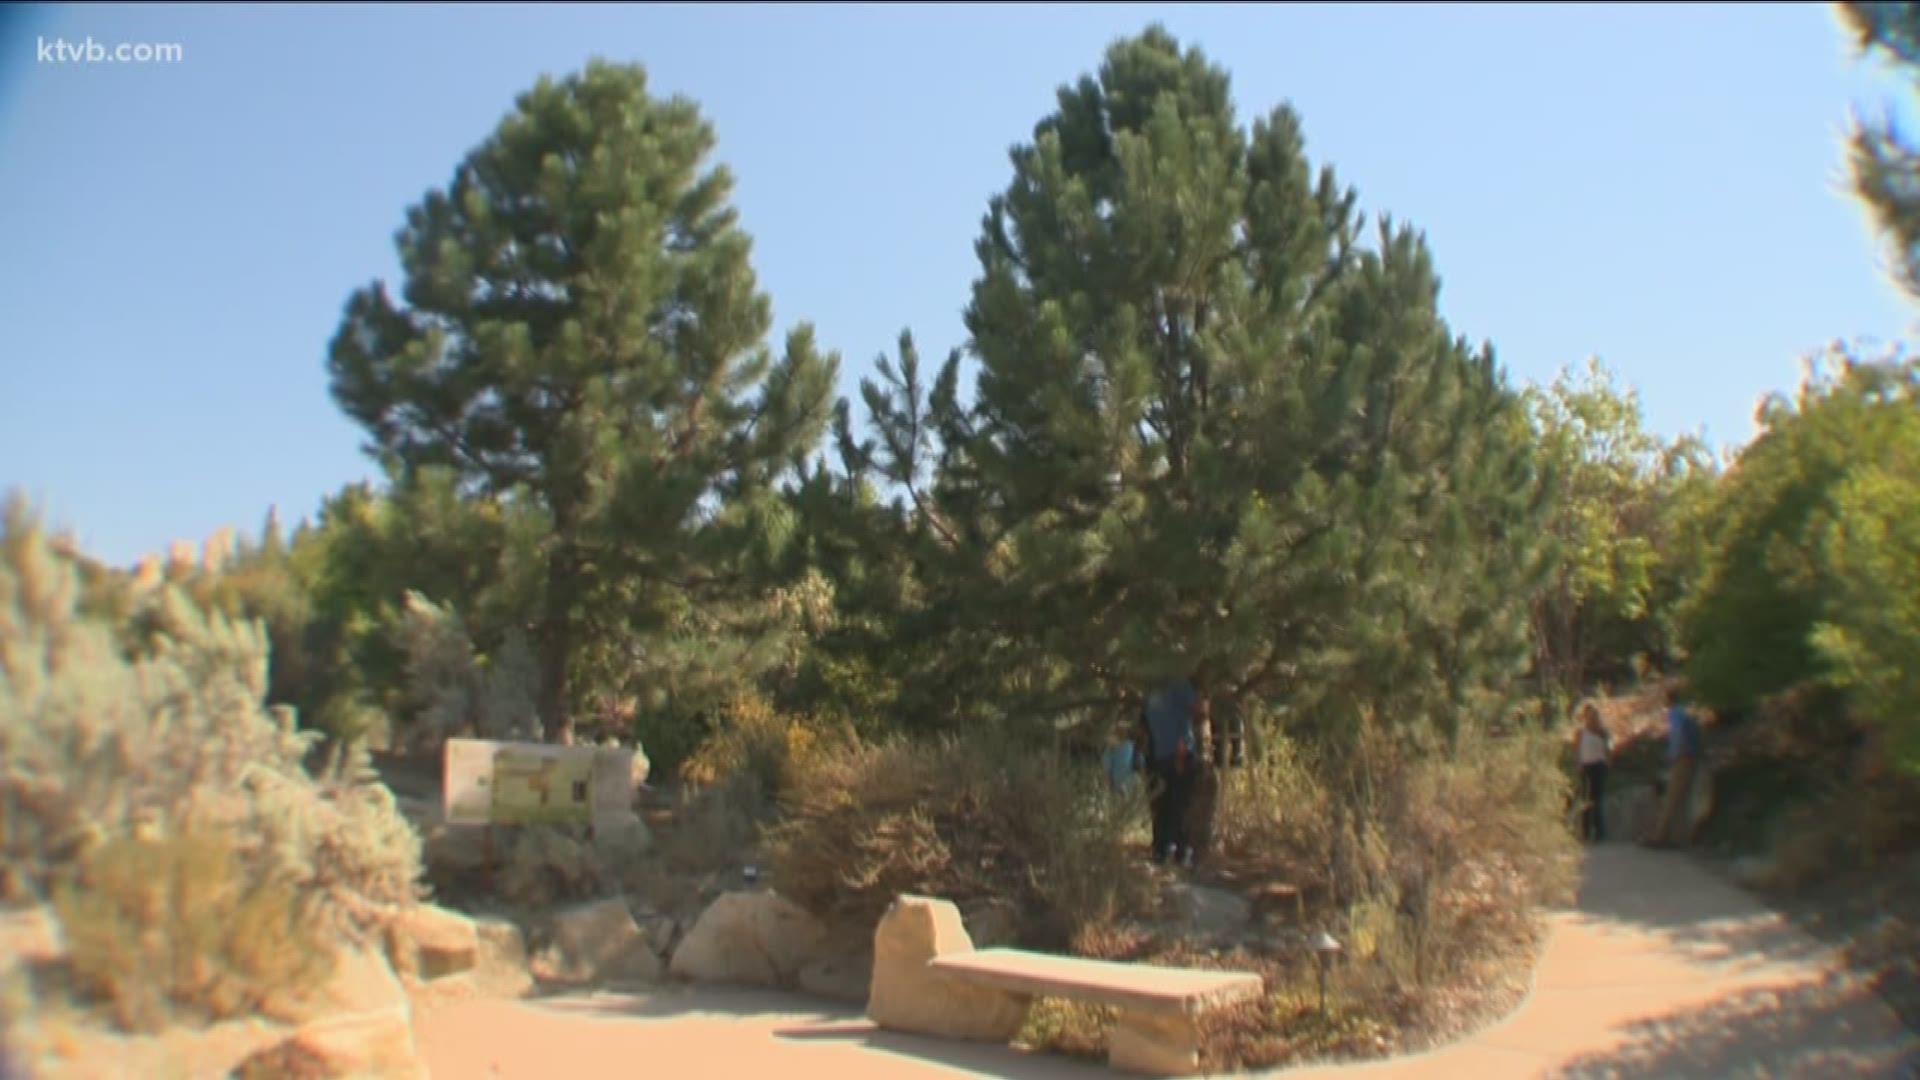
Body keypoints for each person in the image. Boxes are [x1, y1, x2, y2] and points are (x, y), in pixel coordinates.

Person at [1142, 679, 1200, 867]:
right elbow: (1195, 710)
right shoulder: (1179, 683)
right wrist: (1182, 748)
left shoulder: (1151, 689)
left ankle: (1162, 850)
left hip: (1161, 754)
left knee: (1164, 804)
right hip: (1178, 753)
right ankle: (1181, 852)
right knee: (1179, 804)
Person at [1645, 685, 1704, 848]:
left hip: (1682, 759)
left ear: (1668, 700)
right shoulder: (1687, 713)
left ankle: (1660, 837)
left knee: (1671, 798)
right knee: (1681, 798)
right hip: (1690, 758)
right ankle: (1680, 838)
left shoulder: (1676, 714)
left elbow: (1678, 736)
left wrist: (1674, 755)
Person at [1573, 700, 1612, 843]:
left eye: (1594, 714)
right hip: (1585, 767)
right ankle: (1584, 833)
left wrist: (1608, 763)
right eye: (1588, 714)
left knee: (1598, 800)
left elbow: (1608, 750)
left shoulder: (1603, 732)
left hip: (1599, 767)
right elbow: (1577, 750)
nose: (1591, 717)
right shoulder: (1580, 733)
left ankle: (1600, 834)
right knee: (1585, 800)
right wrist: (1578, 764)